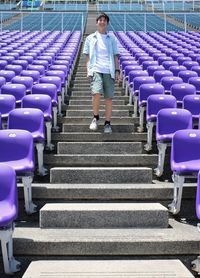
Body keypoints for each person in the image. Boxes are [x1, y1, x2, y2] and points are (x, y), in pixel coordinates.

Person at [83, 12, 120, 133]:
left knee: (108, 98)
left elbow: (115, 56)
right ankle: (95, 117)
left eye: (104, 20)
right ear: (96, 22)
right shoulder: (90, 38)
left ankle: (107, 123)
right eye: (100, 20)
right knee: (96, 93)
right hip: (96, 69)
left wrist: (117, 70)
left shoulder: (112, 38)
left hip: (109, 70)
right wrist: (89, 70)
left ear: (107, 23)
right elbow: (87, 57)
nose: (102, 22)